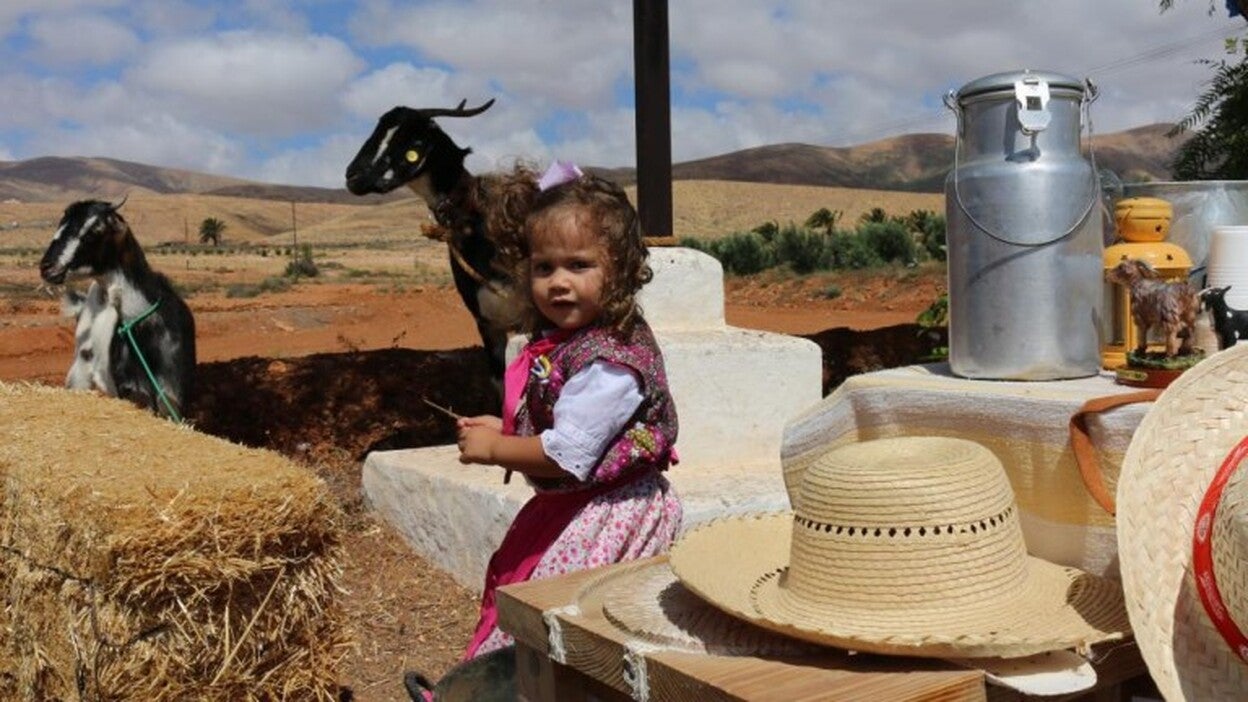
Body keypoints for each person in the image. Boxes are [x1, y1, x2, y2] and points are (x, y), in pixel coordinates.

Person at [455, 161, 682, 659]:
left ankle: (509, 688)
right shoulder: (572, 342)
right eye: (544, 268)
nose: (559, 282)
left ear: (619, 271)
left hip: (608, 515)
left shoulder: (610, 363)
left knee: (554, 620)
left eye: (579, 266)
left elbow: (568, 453)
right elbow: (565, 420)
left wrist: (497, 449)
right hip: (578, 506)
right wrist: (508, 426)